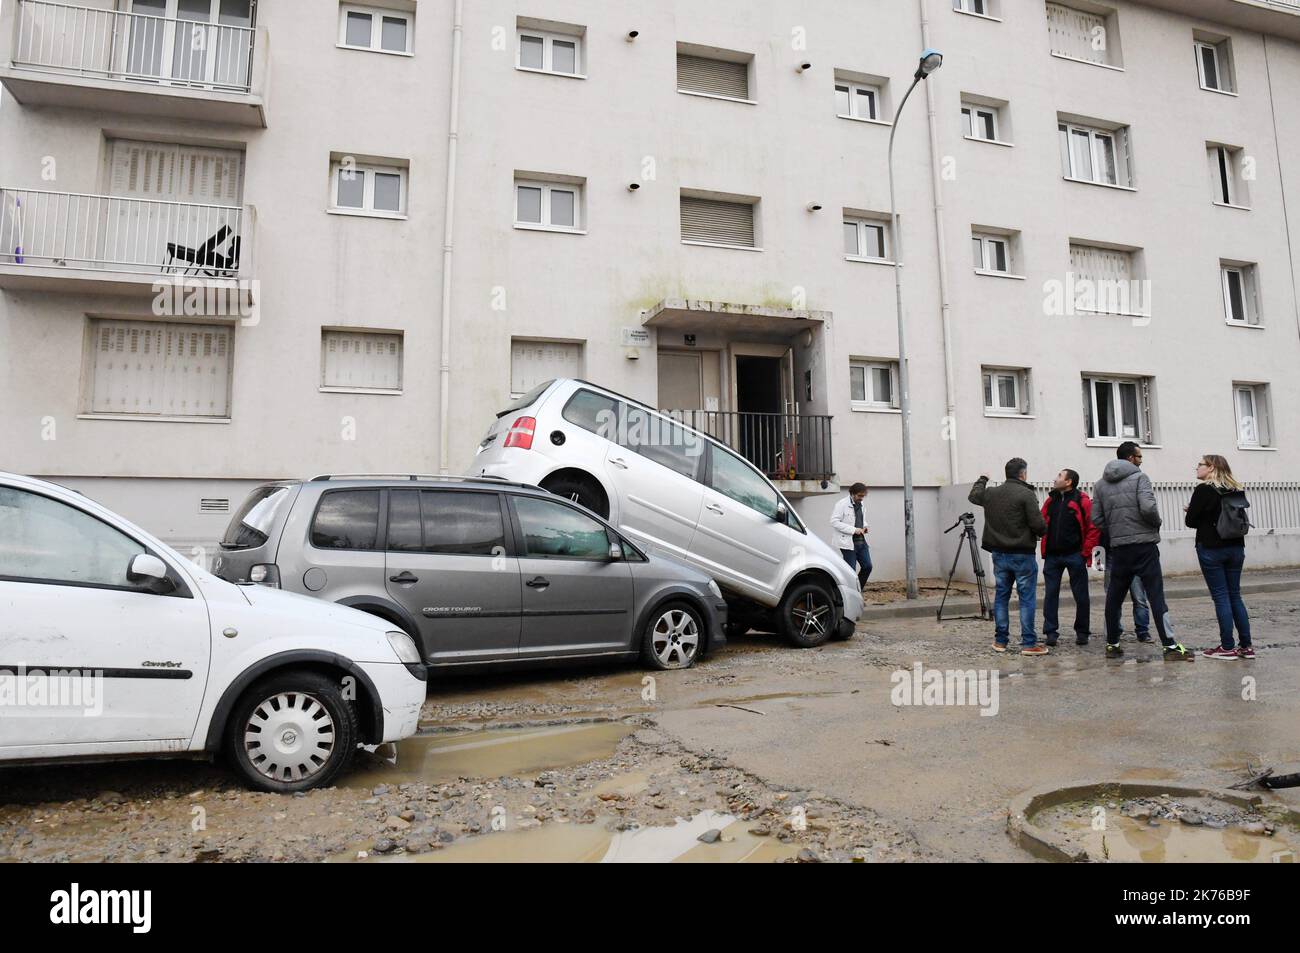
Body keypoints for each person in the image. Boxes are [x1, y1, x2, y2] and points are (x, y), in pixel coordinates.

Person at [1091, 442, 1194, 661]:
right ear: (1130, 458)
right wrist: (1155, 524)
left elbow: (1097, 519)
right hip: (1144, 545)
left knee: (1114, 596)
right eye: (1139, 457)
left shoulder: (1100, 485)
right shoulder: (1140, 478)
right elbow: (1148, 508)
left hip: (1119, 549)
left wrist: (1117, 531)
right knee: (1155, 595)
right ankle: (1170, 646)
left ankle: (1112, 644)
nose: (1141, 460)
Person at [968, 458, 1048, 656]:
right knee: (1026, 598)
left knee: (1002, 596)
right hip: (1022, 554)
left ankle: (1000, 641)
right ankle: (1029, 643)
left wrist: (983, 478)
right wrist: (1042, 531)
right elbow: (1038, 525)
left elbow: (974, 495)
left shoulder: (992, 493)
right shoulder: (1026, 494)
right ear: (1023, 474)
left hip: (999, 554)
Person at [1186, 454, 1254, 660]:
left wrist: (1191, 511)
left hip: (1211, 548)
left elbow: (1191, 521)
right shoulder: (1236, 488)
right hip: (1236, 547)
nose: (1196, 468)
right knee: (1235, 595)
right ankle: (1246, 646)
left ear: (1211, 467)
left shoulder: (1204, 489)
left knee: (1221, 597)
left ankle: (1227, 647)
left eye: (1200, 465)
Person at [1040, 468, 1100, 646]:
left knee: (1081, 595)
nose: (1055, 478)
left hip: (1075, 555)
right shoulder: (1051, 500)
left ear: (1069, 482)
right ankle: (1050, 632)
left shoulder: (1082, 501)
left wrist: (1085, 552)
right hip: (1052, 556)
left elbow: (1093, 527)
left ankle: (1082, 632)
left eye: (1059, 476)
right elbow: (1042, 521)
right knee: (1050, 594)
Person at [1100, 530, 1152, 642]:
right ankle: (1139, 631)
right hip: (1116, 553)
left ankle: (1139, 631)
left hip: (1129, 553)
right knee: (1137, 598)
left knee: (1136, 598)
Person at [831, 482, 872, 588]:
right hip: (847, 543)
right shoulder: (841, 504)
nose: (861, 498)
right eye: (859, 495)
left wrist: (865, 527)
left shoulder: (862, 504)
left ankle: (857, 591)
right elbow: (834, 522)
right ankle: (848, 595)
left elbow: (861, 520)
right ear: (852, 493)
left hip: (861, 541)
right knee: (850, 572)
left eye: (863, 496)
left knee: (867, 566)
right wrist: (853, 530)